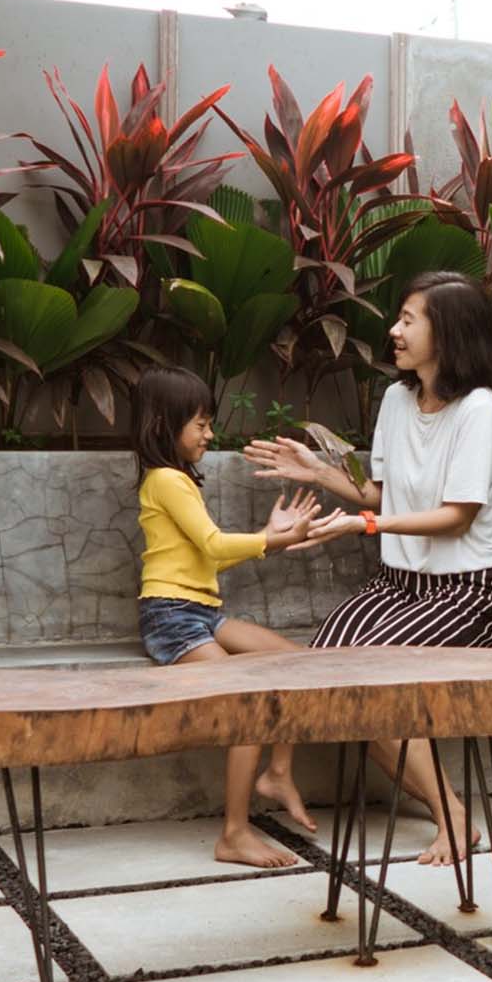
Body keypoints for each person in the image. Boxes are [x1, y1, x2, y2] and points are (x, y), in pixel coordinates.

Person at [246, 270, 492, 866]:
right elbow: (379, 495)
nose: (393, 331)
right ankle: (279, 773)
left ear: (448, 334)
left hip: (466, 594)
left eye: (408, 320)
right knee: (327, 668)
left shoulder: (480, 411)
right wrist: (318, 470)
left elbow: (456, 518)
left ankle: (453, 818)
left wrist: (364, 527)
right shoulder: (398, 399)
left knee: (379, 689)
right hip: (398, 586)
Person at [131, 365, 346, 869]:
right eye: (201, 424)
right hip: (171, 617)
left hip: (199, 610)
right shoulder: (167, 479)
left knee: (296, 663)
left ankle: (279, 772)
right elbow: (212, 543)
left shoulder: (174, 479)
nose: (210, 434)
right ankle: (234, 833)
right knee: (248, 704)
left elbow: (210, 556)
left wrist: (266, 535)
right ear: (166, 423)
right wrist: (277, 538)